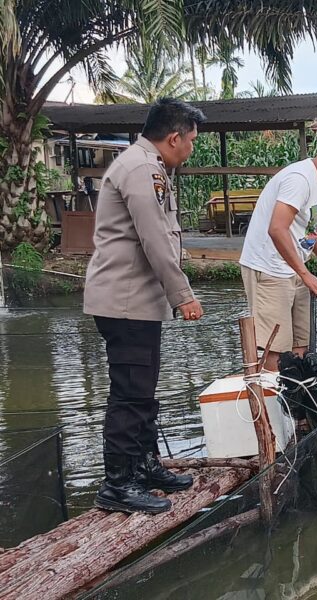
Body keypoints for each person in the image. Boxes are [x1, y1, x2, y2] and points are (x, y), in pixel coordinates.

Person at [84, 98, 206, 514]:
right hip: (125, 301)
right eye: (190, 141)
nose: (190, 150)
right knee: (130, 393)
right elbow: (155, 241)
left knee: (142, 389)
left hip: (137, 301)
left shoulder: (148, 165)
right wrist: (184, 295)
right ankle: (117, 484)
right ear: (173, 138)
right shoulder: (141, 169)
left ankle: (143, 465)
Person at [240, 128, 317, 372]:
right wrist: (305, 274)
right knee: (274, 350)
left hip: (294, 266)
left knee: (300, 345)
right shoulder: (299, 179)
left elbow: (315, 226)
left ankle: (297, 403)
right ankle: (273, 404)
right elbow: (277, 229)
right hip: (270, 267)